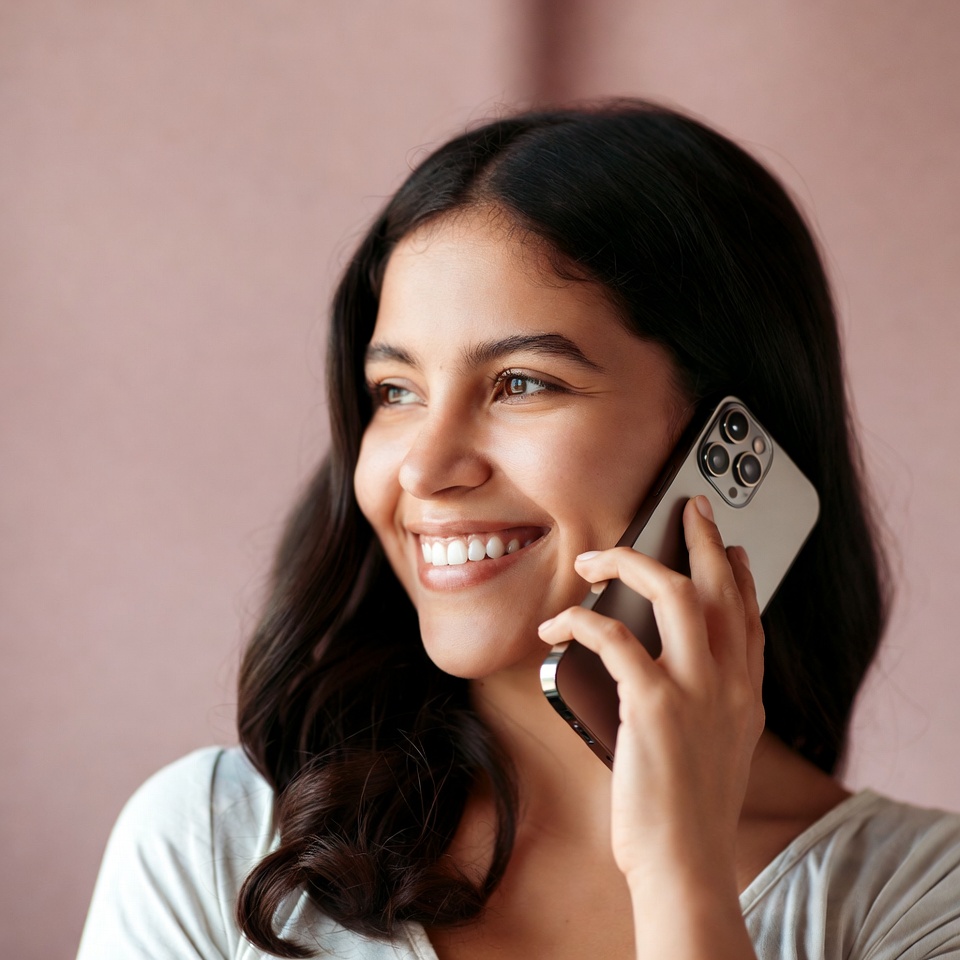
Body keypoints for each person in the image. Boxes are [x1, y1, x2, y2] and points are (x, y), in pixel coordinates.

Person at [77, 101, 960, 960]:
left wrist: (680, 874)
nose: (424, 469)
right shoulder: (214, 848)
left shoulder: (923, 900)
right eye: (396, 392)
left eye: (522, 383)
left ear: (733, 438)